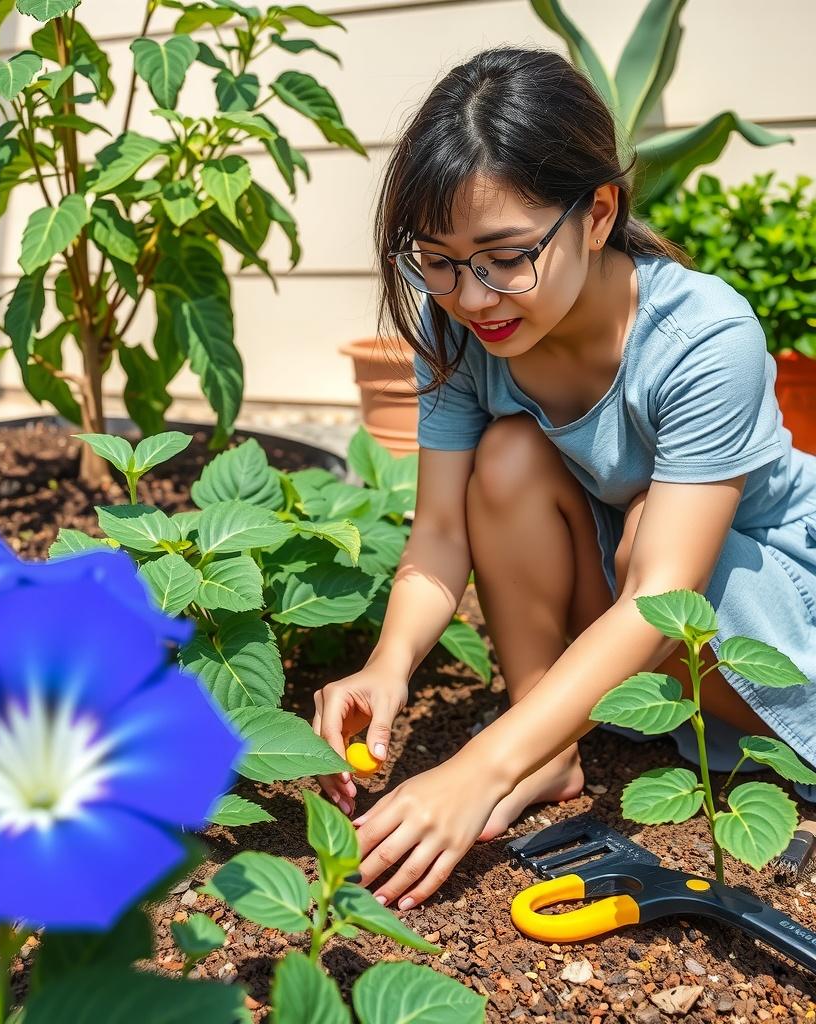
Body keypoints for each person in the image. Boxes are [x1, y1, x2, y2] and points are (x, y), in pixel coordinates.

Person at [311, 46, 816, 913]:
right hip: (638, 591)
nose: (473, 297)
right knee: (509, 456)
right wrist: (387, 664)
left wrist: (475, 770)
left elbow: (663, 596)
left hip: (767, 603)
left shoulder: (703, 338)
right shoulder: (462, 330)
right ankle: (545, 743)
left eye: (506, 256)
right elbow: (441, 532)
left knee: (656, 528)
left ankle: (524, 746)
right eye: (437, 259)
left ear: (598, 213)